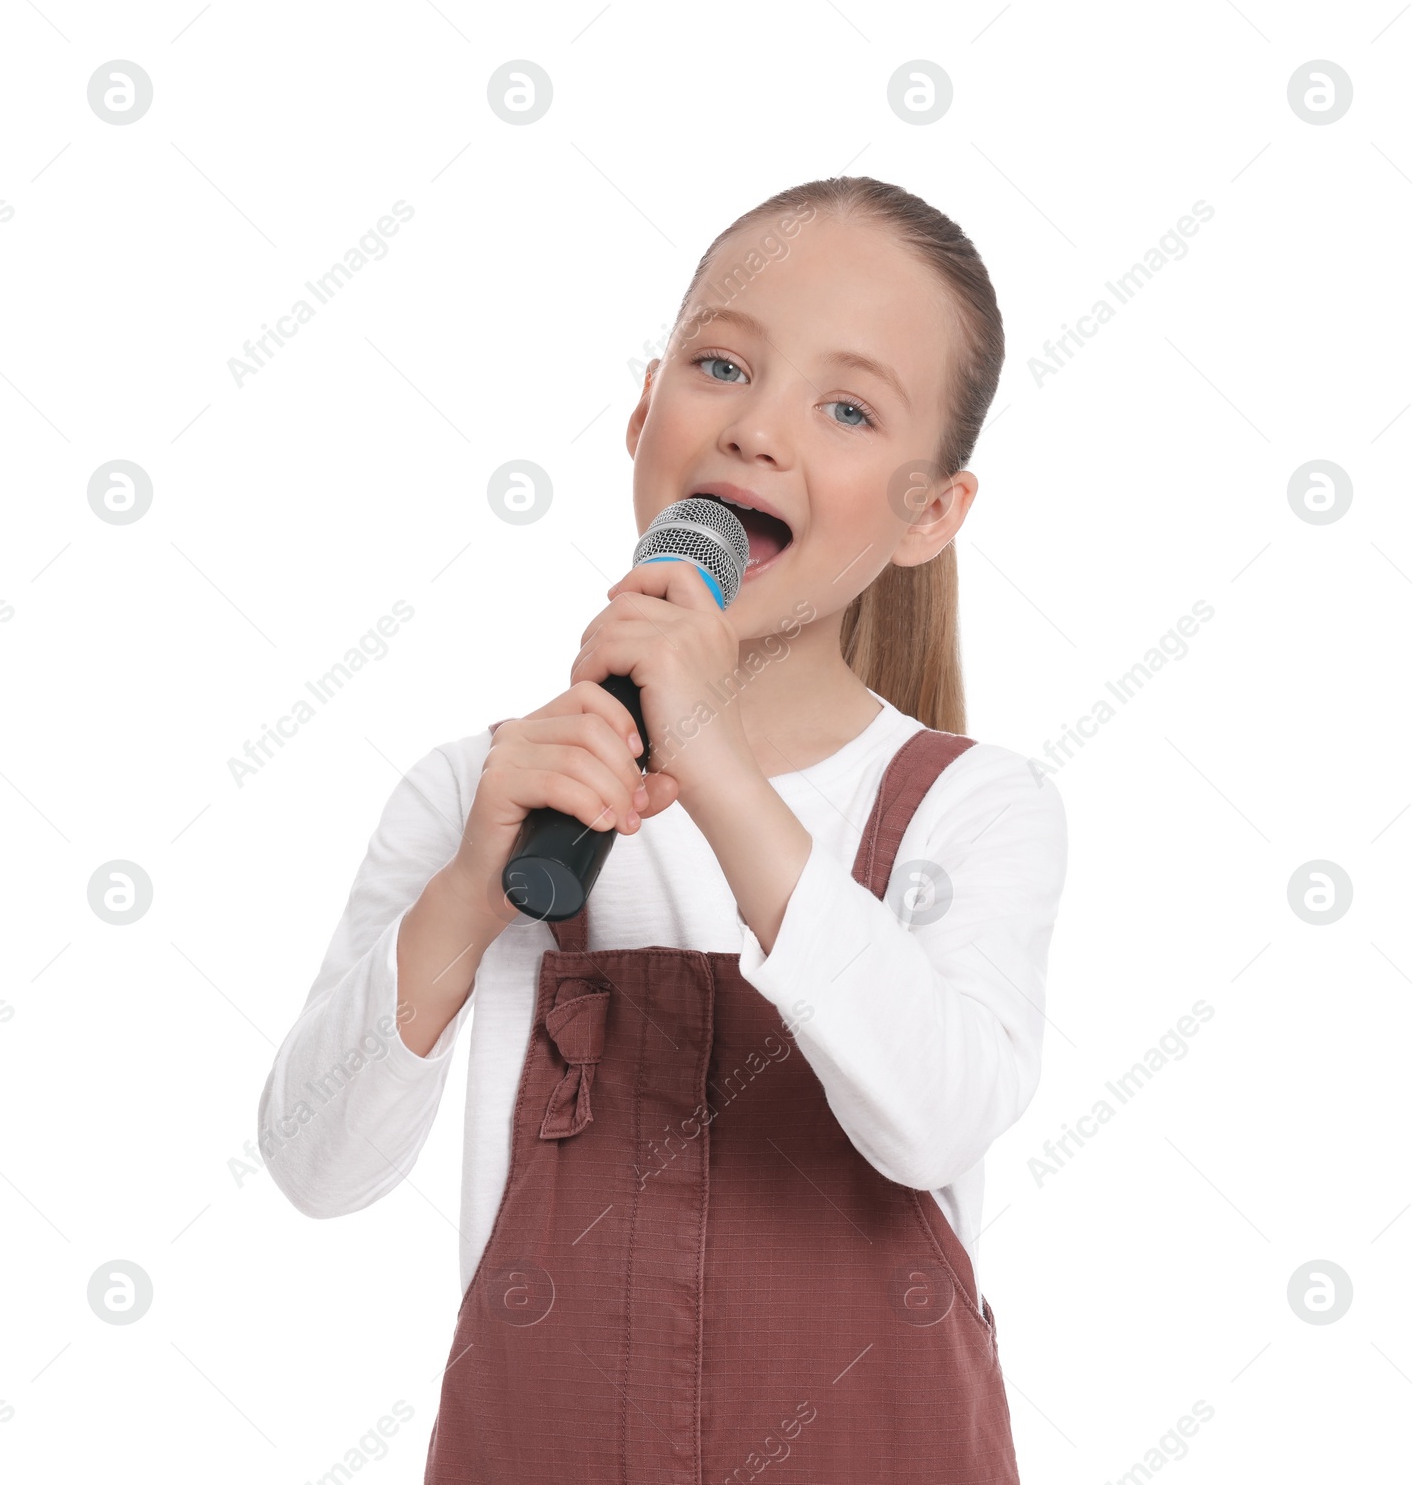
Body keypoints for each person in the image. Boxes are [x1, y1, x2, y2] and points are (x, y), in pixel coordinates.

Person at [258, 175, 1068, 1482]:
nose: (757, 430)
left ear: (931, 514)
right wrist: (469, 892)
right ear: (643, 411)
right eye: (722, 365)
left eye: (848, 407)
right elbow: (314, 1166)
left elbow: (934, 1117)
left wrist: (715, 767)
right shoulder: (483, 794)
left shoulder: (972, 810)